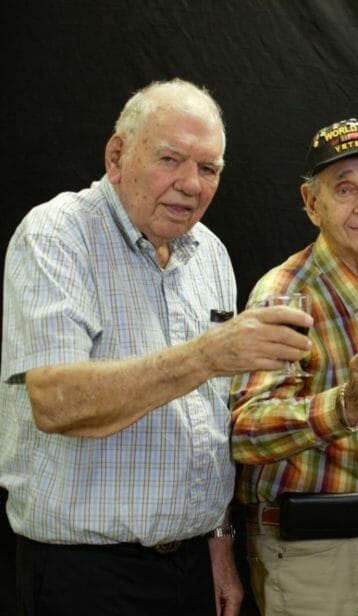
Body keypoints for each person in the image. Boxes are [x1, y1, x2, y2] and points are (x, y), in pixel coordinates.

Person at [0, 79, 313, 616]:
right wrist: (208, 354)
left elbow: (207, 426)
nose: (191, 185)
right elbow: (55, 402)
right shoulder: (56, 235)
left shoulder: (209, 253)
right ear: (117, 155)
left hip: (191, 569)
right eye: (171, 159)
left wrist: (219, 546)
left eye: (209, 168)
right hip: (86, 576)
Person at [230, 118, 358, 616]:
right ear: (312, 204)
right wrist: (345, 403)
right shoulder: (285, 296)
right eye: (345, 189)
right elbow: (243, 432)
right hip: (311, 553)